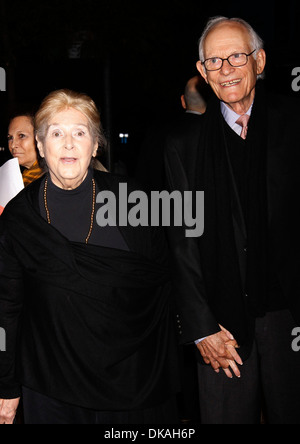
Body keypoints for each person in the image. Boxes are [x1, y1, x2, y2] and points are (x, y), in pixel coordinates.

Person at [0, 89, 179, 424]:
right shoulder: (18, 218)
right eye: (56, 133)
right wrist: (6, 385)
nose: (68, 144)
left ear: (95, 145)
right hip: (51, 386)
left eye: (79, 133)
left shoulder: (134, 200)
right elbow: (7, 308)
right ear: (41, 145)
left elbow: (166, 284)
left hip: (133, 383)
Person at [165, 16, 300, 424]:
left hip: (291, 314)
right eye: (214, 61)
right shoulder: (182, 145)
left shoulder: (295, 123)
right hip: (221, 325)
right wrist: (201, 327)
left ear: (259, 61)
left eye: (237, 56)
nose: (226, 69)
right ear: (203, 72)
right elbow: (180, 241)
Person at [7, 113, 44, 186]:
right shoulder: (20, 180)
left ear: (40, 138)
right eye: (10, 138)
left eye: (21, 136)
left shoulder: (51, 180)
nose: (13, 145)